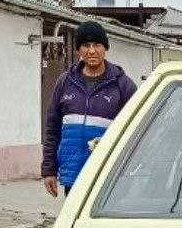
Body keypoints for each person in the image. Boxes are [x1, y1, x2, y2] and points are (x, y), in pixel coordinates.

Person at [41, 21, 137, 197]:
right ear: (78, 50)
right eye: (85, 45)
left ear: (105, 48)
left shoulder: (123, 85)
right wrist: (49, 170)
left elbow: (135, 130)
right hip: (73, 174)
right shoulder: (65, 82)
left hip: (107, 175)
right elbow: (52, 129)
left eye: (97, 45)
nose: (91, 51)